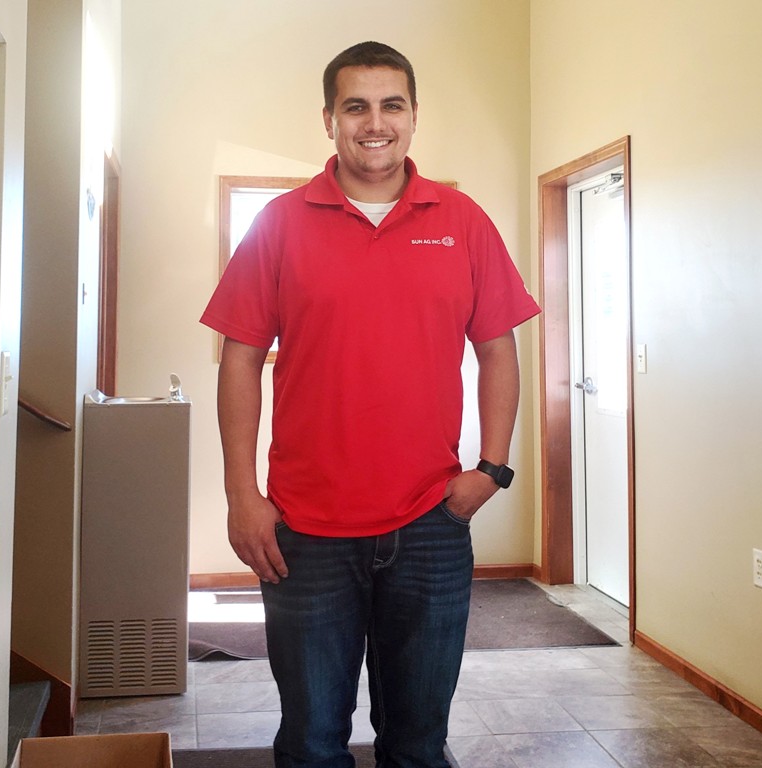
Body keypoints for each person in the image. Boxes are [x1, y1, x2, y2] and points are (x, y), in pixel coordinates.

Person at [201, 41, 540, 768]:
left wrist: (492, 469)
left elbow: (499, 349)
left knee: (419, 745)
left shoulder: (463, 220)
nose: (375, 123)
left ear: (414, 116)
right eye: (355, 106)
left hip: (430, 521)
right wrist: (241, 495)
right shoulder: (280, 223)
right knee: (311, 742)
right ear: (329, 120)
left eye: (392, 106)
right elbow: (239, 359)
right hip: (305, 530)